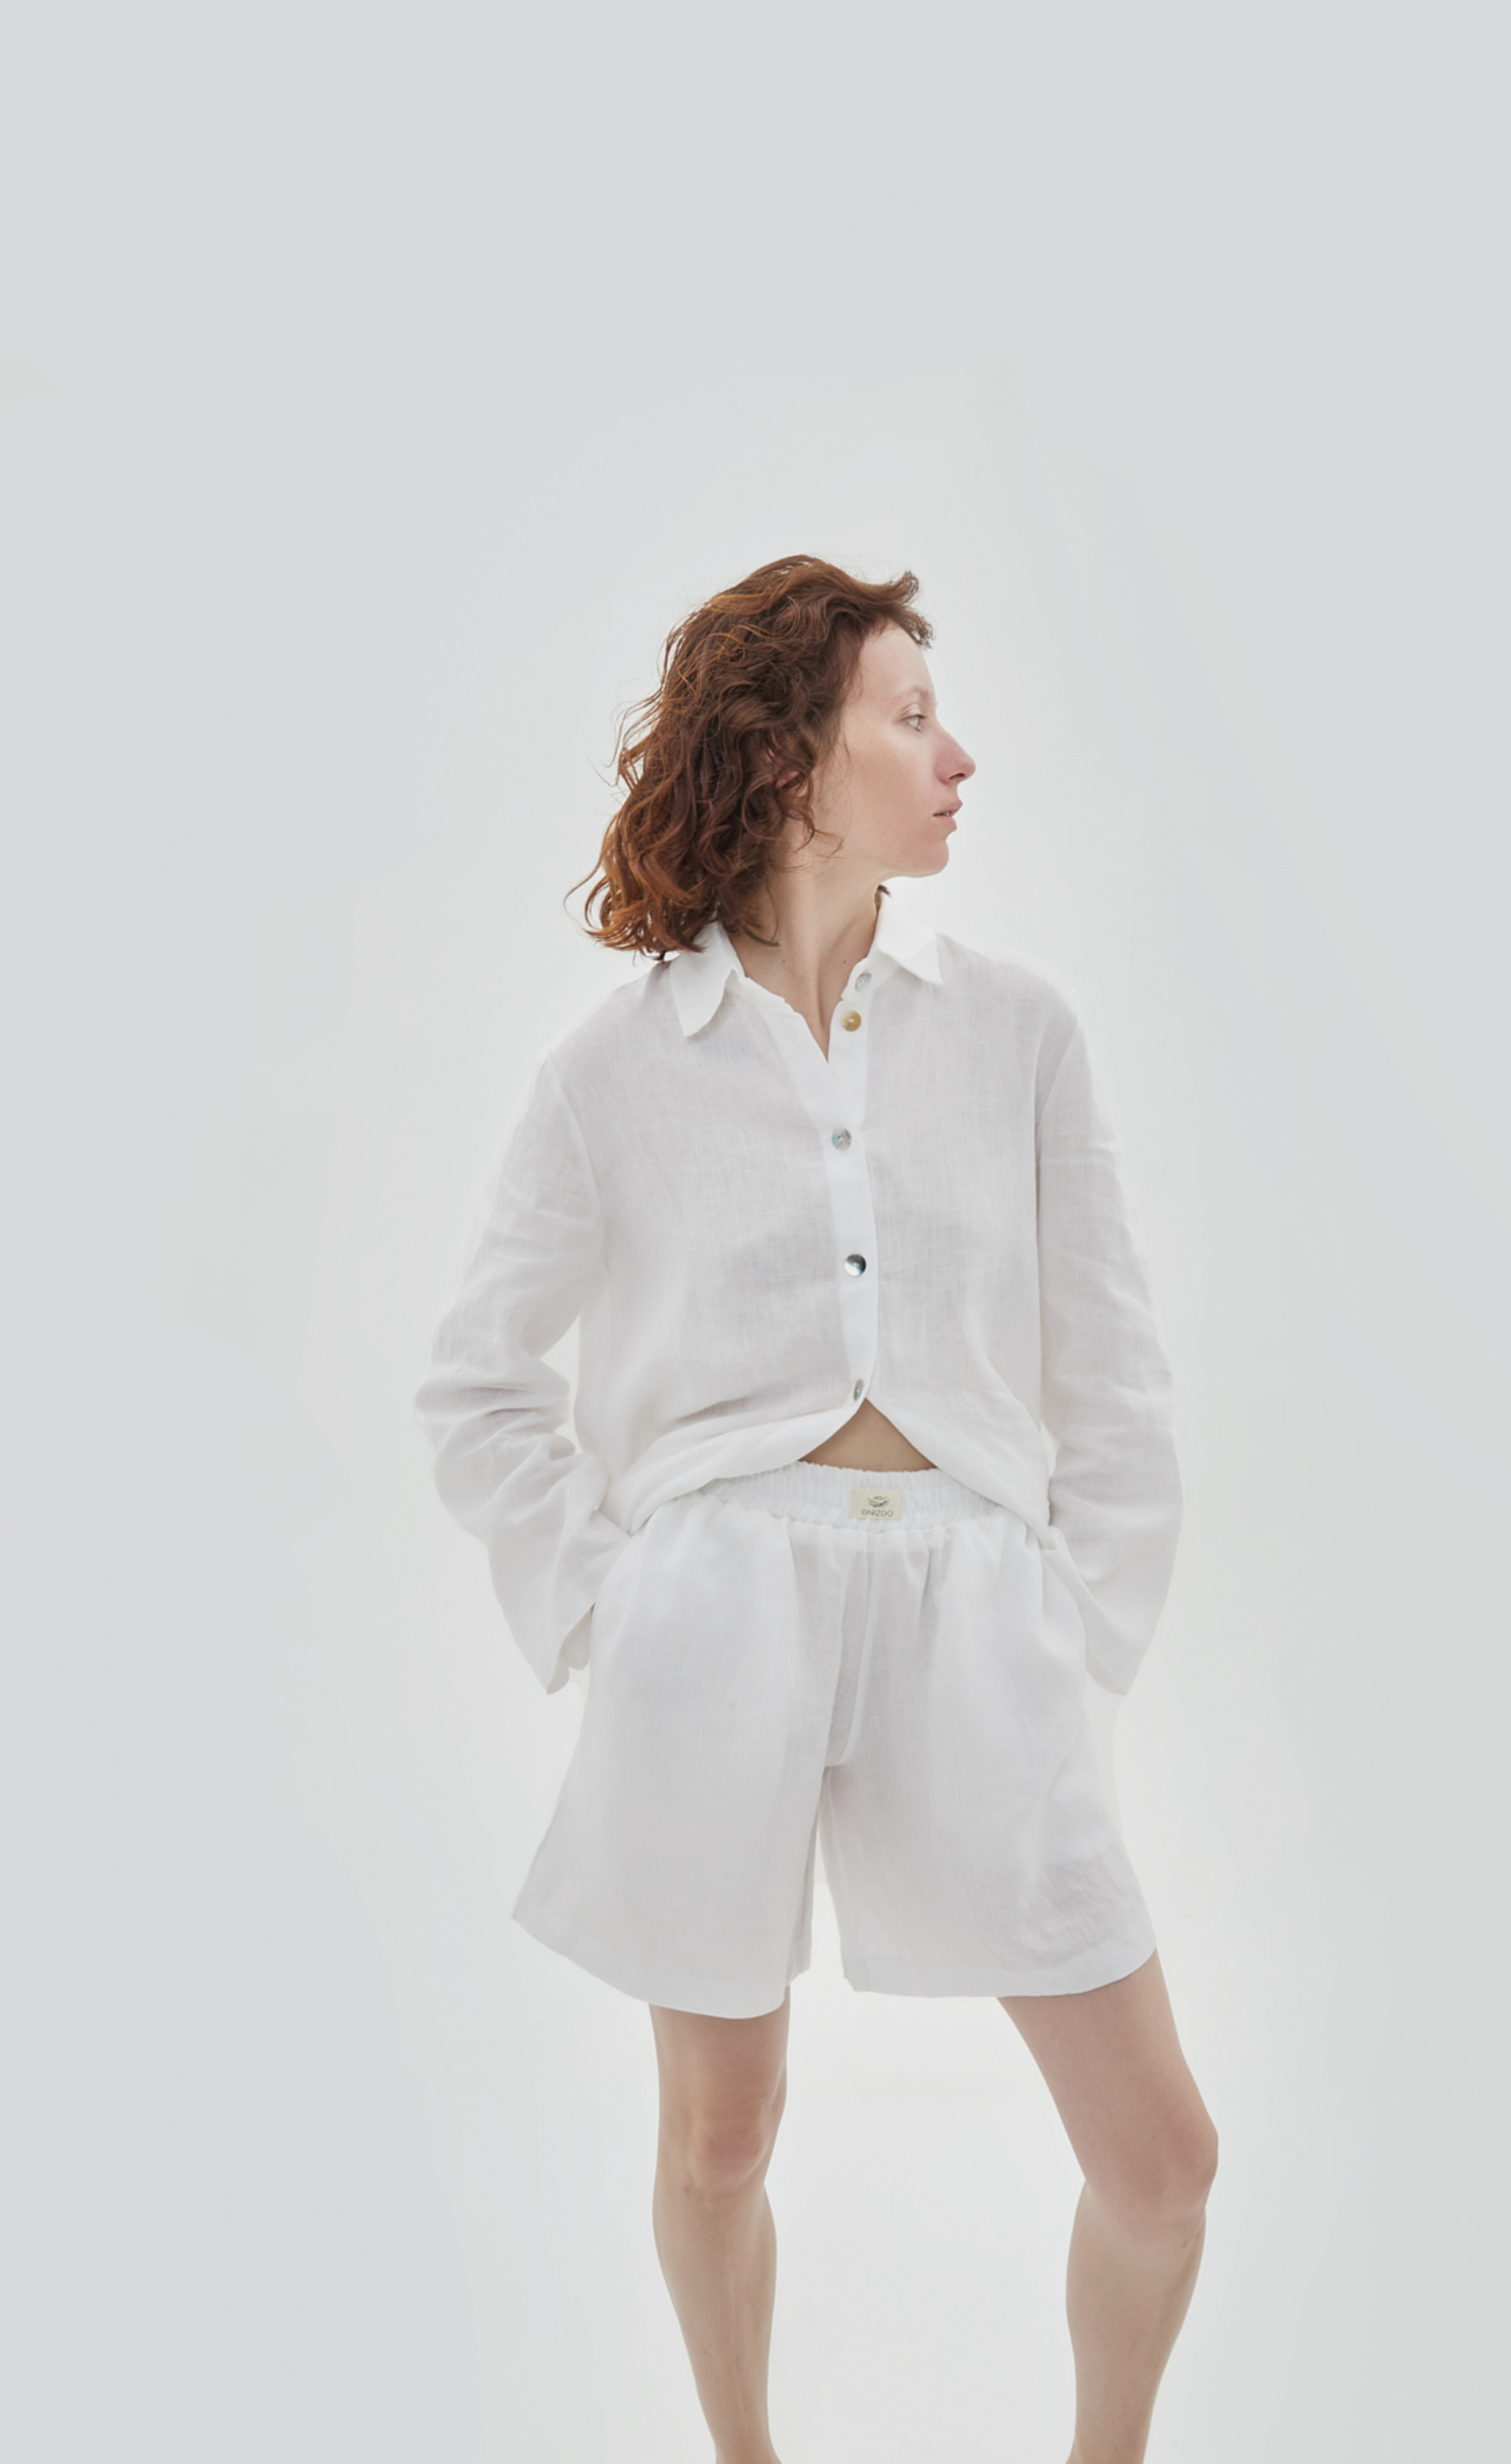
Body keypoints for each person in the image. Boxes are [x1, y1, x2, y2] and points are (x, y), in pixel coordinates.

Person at [414, 554, 1216, 2464]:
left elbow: (1111, 1370)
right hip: (714, 1610)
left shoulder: (1015, 1032)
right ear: (788, 758)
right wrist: (610, 1601)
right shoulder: (618, 1071)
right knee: (719, 2135)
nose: (959, 756)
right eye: (911, 717)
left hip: (975, 1598)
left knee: (1162, 2157)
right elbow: (477, 1381)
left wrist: (1078, 1627)